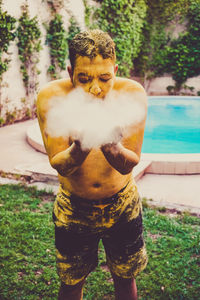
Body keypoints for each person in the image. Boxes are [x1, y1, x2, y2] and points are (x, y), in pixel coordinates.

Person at [37, 29, 148, 300]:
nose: (95, 88)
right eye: (83, 78)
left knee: (125, 277)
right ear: (69, 71)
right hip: (74, 206)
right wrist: (81, 147)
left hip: (123, 203)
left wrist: (112, 147)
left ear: (115, 70)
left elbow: (129, 164)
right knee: (71, 282)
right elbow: (60, 164)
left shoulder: (132, 94)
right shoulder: (51, 97)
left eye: (104, 78)